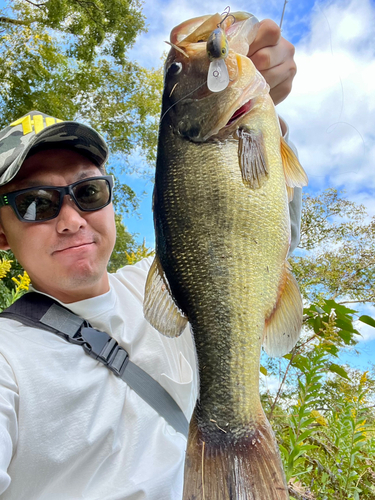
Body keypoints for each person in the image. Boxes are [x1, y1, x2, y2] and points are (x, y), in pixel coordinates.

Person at [0, 18, 300, 500]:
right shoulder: (7, 360)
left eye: (89, 191)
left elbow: (261, 236)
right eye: (36, 204)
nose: (73, 218)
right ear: (1, 233)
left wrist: (268, 121)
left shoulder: (164, 284)